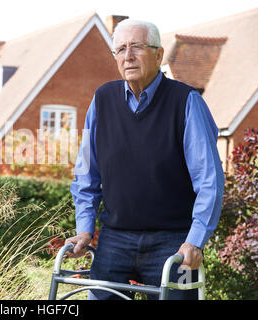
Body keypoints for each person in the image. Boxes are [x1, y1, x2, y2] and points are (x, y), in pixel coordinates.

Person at [65, 19, 225, 300]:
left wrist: (195, 242)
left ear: (159, 55)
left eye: (137, 47)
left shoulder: (186, 101)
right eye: (121, 49)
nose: (128, 56)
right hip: (115, 238)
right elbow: (87, 174)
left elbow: (209, 181)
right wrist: (85, 229)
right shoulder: (102, 100)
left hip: (174, 241)